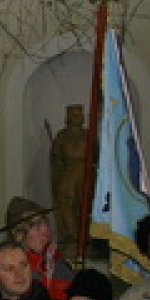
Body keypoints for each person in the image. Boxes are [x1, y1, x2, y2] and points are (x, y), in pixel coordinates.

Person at [0, 197, 72, 300]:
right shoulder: (15, 272)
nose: (44, 231)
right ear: (19, 234)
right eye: (35, 226)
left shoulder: (59, 262)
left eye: (45, 223)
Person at [48, 104, 88, 255]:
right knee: (66, 202)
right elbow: (57, 159)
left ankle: (85, 235)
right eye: (74, 114)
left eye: (80, 114)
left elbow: (97, 156)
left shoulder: (88, 135)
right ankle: (71, 235)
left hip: (85, 174)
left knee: (84, 204)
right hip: (68, 173)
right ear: (68, 117)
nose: (77, 117)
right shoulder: (61, 136)